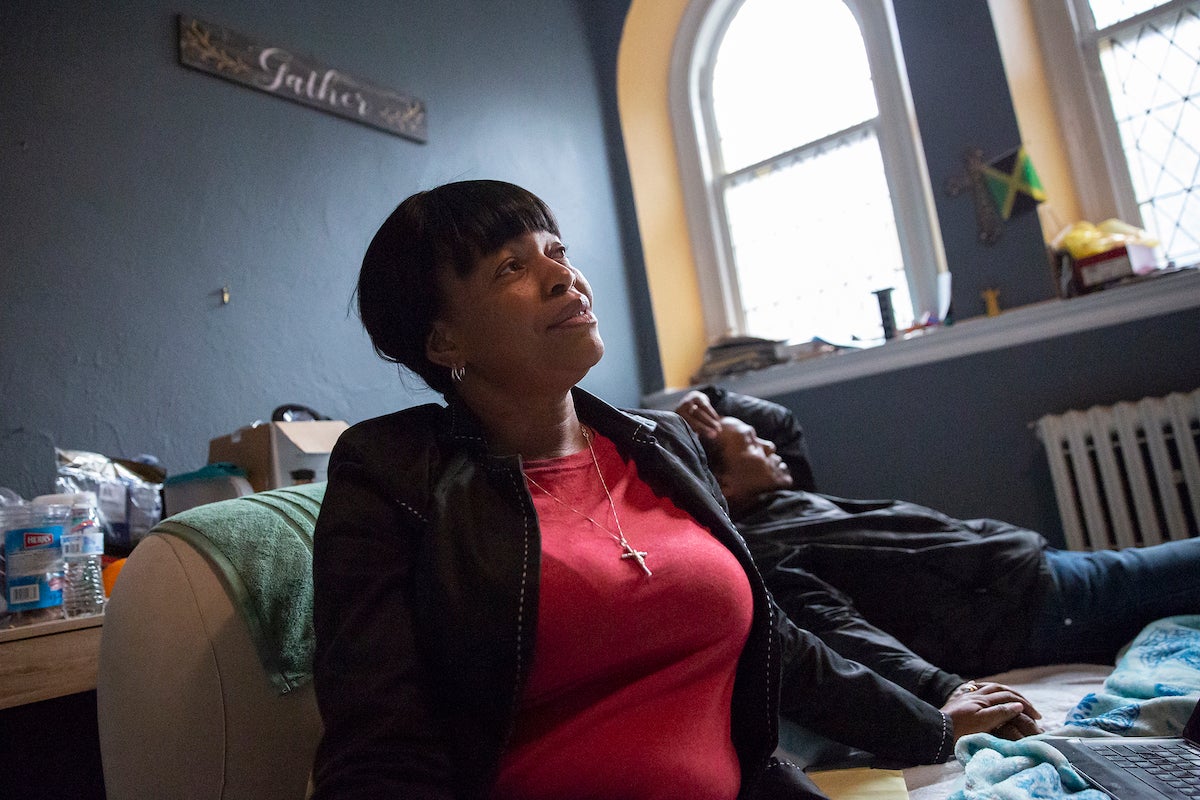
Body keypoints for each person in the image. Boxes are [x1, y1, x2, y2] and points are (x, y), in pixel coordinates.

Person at [308, 180, 1039, 800]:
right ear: (444, 342)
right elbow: (379, 743)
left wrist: (934, 719)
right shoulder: (392, 473)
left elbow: (773, 642)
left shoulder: (660, 444)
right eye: (509, 268)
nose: (564, 277)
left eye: (556, 252)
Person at [675, 385, 1200, 693]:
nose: (767, 444)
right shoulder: (768, 548)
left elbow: (783, 426)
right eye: (749, 441)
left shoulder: (780, 500)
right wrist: (946, 690)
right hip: (1032, 600)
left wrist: (713, 399)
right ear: (721, 484)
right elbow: (845, 636)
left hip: (1025, 581)